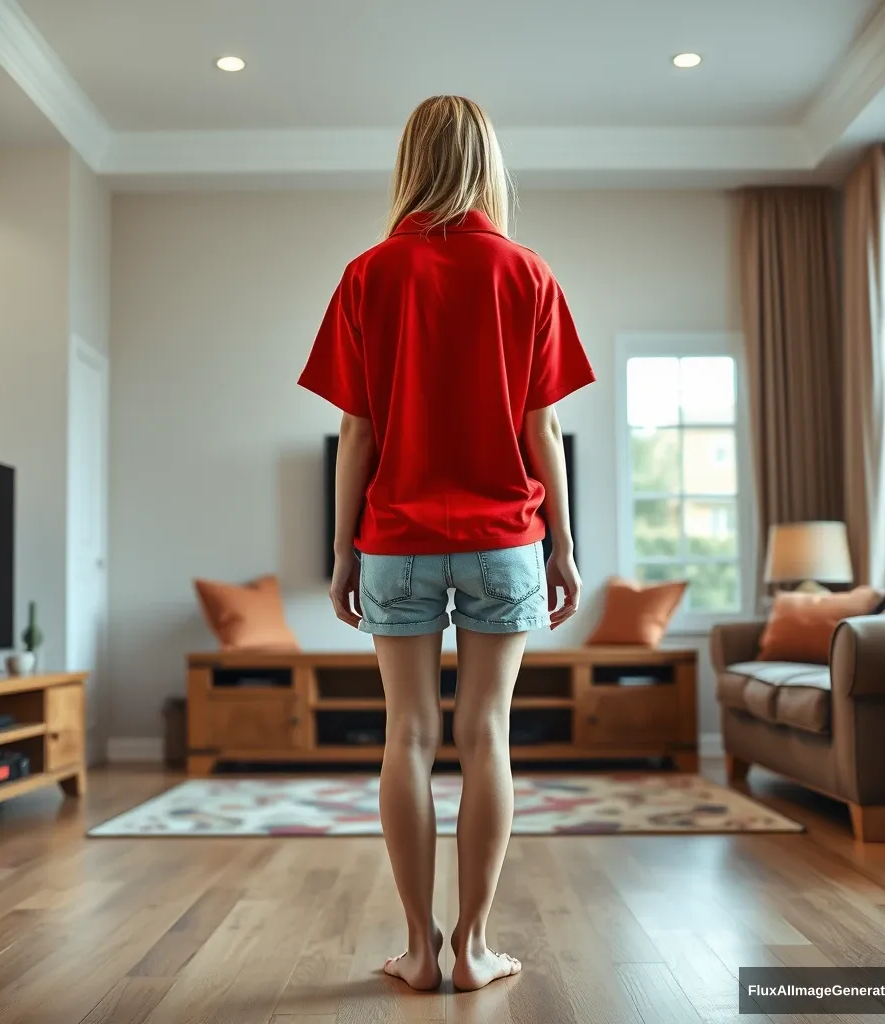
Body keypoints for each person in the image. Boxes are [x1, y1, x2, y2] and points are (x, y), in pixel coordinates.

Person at [298, 95, 594, 992]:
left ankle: (419, 953)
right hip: (507, 535)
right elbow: (541, 432)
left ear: (410, 163)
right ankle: (473, 949)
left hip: (396, 538)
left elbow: (356, 434)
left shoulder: (368, 274)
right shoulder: (527, 273)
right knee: (487, 734)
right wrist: (564, 547)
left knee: (408, 734)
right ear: (487, 164)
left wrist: (346, 548)